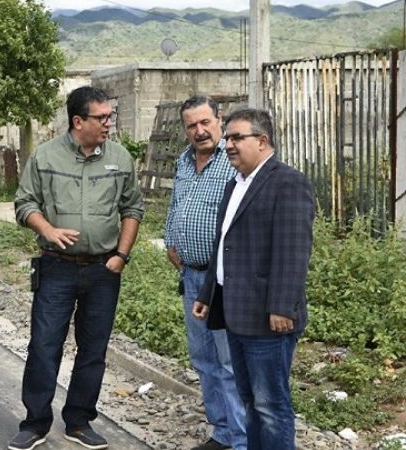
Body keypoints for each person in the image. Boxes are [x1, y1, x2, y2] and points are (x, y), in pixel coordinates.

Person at [10, 86, 144, 450]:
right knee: (44, 346)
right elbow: (24, 203)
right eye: (101, 117)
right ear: (78, 121)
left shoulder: (119, 157)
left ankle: (79, 422)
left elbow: (133, 208)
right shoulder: (46, 156)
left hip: (103, 270)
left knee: (93, 349)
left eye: (109, 116)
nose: (108, 123)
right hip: (57, 267)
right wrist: (48, 230)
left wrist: (121, 256)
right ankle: (35, 423)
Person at [192, 108, 314, 450]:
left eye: (237, 138)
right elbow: (224, 245)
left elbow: (293, 251)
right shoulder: (236, 184)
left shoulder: (287, 183)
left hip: (267, 318)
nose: (229, 145)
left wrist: (282, 307)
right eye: (227, 138)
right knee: (250, 401)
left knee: (270, 406)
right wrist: (207, 293)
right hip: (237, 313)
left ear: (262, 141)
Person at [164, 95, 246, 450]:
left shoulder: (234, 161)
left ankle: (241, 441)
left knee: (229, 361)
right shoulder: (183, 162)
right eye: (192, 126)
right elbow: (176, 205)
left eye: (205, 123)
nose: (199, 131)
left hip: (224, 280)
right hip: (192, 277)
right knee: (204, 358)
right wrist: (171, 239)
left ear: (219, 120)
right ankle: (222, 433)